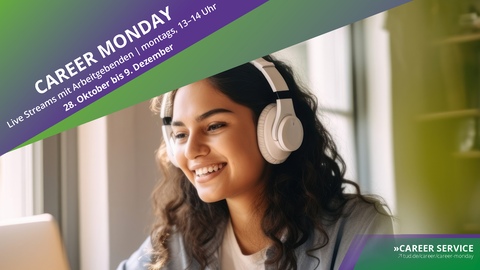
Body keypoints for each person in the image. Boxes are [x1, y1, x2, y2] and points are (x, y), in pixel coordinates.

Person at [117, 56, 393, 270]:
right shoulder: (179, 241)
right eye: (180, 134)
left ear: (276, 130)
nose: (190, 150)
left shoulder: (358, 229)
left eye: (214, 126)